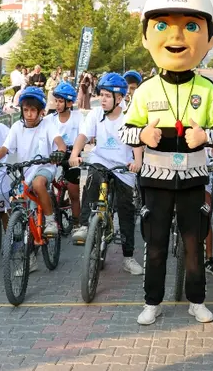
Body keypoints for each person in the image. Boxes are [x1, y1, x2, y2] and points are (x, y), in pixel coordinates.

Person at [119, 0, 213, 326]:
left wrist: (205, 136)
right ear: (147, 36)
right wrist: (143, 134)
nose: (178, 36)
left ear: (208, 40)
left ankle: (196, 301)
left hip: (194, 180)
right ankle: (152, 302)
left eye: (192, 27)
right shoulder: (146, 90)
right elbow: (123, 131)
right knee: (154, 248)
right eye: (164, 26)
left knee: (193, 246)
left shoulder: (207, 89)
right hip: (155, 180)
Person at [69, 74, 144, 276]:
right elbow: (83, 135)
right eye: (101, 95)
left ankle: (128, 258)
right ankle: (85, 225)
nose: (102, 99)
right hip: (101, 161)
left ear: (119, 98)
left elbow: (136, 141)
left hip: (123, 167)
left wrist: (137, 162)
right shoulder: (95, 114)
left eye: (107, 96)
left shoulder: (129, 115)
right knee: (93, 179)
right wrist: (75, 153)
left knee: (126, 210)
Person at [0, 87, 66, 244]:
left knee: (38, 184)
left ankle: (50, 220)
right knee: (25, 209)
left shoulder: (48, 125)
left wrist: (60, 152)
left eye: (33, 110)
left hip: (44, 167)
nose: (29, 114)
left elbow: (60, 143)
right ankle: (29, 254)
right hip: (25, 170)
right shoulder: (17, 126)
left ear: (41, 111)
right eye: (25, 110)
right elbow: (5, 148)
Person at [49, 82, 83, 230]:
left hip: (72, 155)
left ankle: (77, 223)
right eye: (56, 100)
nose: (57, 104)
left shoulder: (78, 117)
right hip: (55, 155)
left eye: (61, 101)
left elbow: (84, 135)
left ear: (69, 102)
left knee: (74, 192)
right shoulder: (50, 119)